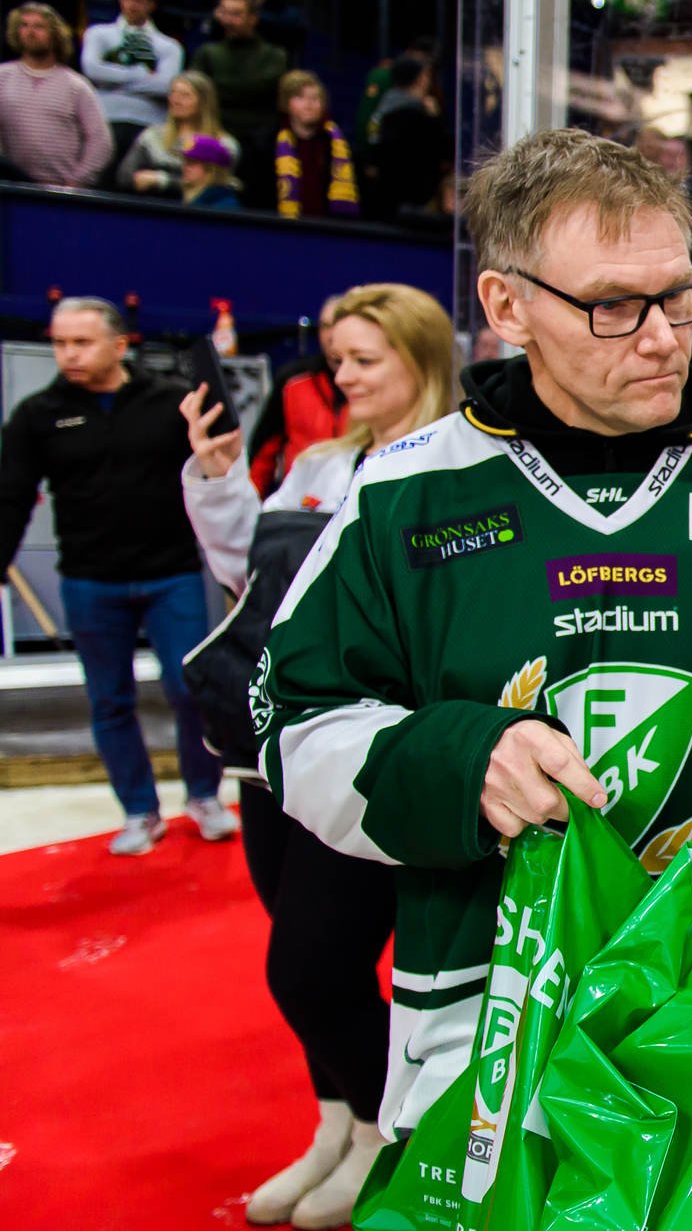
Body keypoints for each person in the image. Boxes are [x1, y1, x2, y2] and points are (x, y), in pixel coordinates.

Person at [255, 127, 692, 1144]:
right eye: (614, 305)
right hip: (488, 1023)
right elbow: (295, 719)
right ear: (506, 305)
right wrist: (462, 759)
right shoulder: (407, 491)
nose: (662, 336)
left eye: (680, 294)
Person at [179, 283, 452, 1229]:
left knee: (311, 969)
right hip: (268, 752)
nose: (342, 378)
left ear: (421, 359)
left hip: (367, 753)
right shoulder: (319, 461)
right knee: (304, 968)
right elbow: (249, 583)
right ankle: (334, 1126)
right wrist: (218, 486)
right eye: (338, 360)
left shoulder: (457, 467)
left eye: (363, 360)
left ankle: (387, 1137)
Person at [0, 298, 230, 856]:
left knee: (189, 689)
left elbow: (215, 472)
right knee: (109, 700)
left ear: (120, 344)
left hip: (170, 573)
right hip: (90, 579)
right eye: (59, 343)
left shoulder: (171, 402)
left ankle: (204, 794)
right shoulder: (38, 413)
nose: (68, 354)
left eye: (81, 342)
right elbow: (11, 496)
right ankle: (138, 810)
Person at [191, 0, 285, 208]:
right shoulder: (207, 53)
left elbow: (262, 90)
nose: (228, 20)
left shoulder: (274, 56)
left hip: (258, 142)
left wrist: (218, 87)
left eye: (236, 14)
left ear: (253, 18)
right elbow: (199, 91)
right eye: (224, 13)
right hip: (216, 132)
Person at [79, 0, 180, 172]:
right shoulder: (98, 34)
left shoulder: (169, 46)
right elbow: (92, 70)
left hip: (148, 124)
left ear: (151, 4)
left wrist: (111, 78)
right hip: (104, 118)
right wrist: (141, 74)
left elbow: (165, 85)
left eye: (139, 0)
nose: (131, 5)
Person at [0, 2, 110, 186]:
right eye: (24, 25)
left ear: (55, 34)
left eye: (39, 26)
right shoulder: (2, 77)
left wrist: (76, 182)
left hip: (59, 191)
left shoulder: (76, 86)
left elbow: (100, 142)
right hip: (10, 188)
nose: (30, 32)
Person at [248, 292, 345, 494]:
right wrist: (252, 511)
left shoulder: (377, 385)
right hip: (299, 506)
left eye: (340, 325)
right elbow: (263, 453)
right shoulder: (294, 380)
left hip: (355, 504)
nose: (331, 336)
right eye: (326, 326)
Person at [116, 70, 238, 196]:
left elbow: (223, 185)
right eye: (173, 93)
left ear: (203, 102)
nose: (175, 100)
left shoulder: (224, 145)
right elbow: (125, 177)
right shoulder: (153, 136)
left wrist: (162, 181)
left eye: (185, 95)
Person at [361, 53, 446, 217]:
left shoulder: (382, 108)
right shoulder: (418, 118)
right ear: (420, 79)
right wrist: (435, 118)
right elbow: (439, 153)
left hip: (381, 203)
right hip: (409, 209)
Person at [273, 69, 355, 219]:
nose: (309, 104)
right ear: (285, 103)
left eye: (315, 98)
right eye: (300, 97)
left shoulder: (336, 143)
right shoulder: (269, 144)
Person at [178, 131, 239, 206]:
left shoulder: (225, 205)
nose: (184, 167)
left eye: (192, 162)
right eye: (185, 161)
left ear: (212, 169)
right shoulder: (196, 199)